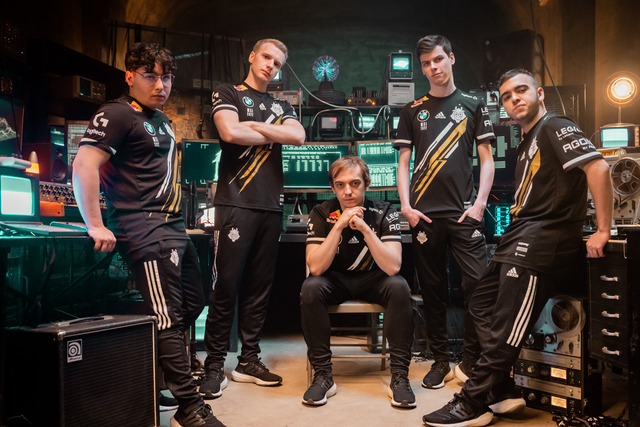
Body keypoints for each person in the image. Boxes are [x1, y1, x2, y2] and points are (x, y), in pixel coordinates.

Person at [422, 68, 613, 427]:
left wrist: (603, 229)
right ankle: (501, 390)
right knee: (480, 302)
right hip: (518, 235)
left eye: (521, 90)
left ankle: (473, 402)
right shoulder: (528, 139)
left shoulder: (555, 125)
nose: (514, 99)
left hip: (542, 239)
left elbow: (598, 168)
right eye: (507, 96)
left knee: (506, 326)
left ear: (540, 94)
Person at [72, 42, 225, 427]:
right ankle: (190, 408)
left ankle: (146, 375)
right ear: (130, 76)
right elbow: (84, 165)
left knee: (195, 301)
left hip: (172, 227)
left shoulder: (160, 119)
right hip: (142, 227)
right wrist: (95, 223)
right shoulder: (116, 113)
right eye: (150, 76)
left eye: (167, 77)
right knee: (166, 316)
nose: (161, 85)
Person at [199, 38, 306, 398]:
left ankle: (248, 360)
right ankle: (214, 365)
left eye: (277, 63)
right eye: (266, 57)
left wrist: (255, 127)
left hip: (270, 206)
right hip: (235, 203)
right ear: (252, 56)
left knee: (260, 288)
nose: (270, 66)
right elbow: (229, 131)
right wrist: (274, 132)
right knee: (226, 286)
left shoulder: (282, 104)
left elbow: (298, 136)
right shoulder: (228, 92)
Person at [394, 34, 495, 389]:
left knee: (478, 286)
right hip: (424, 216)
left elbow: (486, 159)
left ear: (451, 58)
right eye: (426, 63)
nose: (433, 67)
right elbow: (403, 163)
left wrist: (481, 203)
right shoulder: (412, 110)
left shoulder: (472, 105)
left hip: (465, 214)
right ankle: (439, 360)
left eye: (438, 59)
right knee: (433, 291)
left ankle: (471, 361)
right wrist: (406, 207)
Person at [299, 156, 415, 407]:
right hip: (335, 279)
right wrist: (339, 226)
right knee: (310, 288)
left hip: (373, 278)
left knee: (399, 287)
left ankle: (399, 376)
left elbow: (393, 266)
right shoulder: (321, 213)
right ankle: (323, 375)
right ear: (333, 188)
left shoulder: (385, 212)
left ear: (367, 184)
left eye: (354, 183)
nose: (348, 191)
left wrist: (364, 229)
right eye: (340, 185)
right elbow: (316, 267)